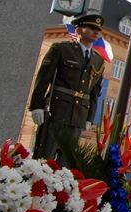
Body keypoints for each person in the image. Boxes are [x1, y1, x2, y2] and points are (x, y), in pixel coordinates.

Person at [29, 13, 107, 160]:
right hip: (57, 110)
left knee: (67, 161)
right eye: (91, 27)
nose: (96, 31)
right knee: (45, 157)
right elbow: (43, 79)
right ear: (78, 30)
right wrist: (36, 105)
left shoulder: (98, 60)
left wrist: (90, 117)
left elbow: (94, 93)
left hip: (79, 115)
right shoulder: (62, 49)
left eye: (98, 29)